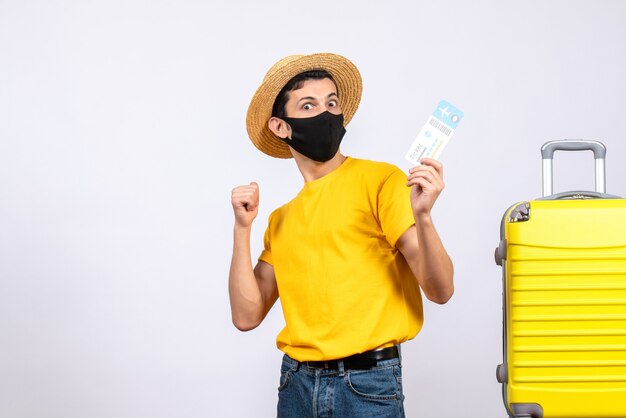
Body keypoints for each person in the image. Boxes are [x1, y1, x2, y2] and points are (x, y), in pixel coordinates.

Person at [229, 52, 454, 418]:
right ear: (280, 127)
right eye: (309, 105)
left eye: (332, 102)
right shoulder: (281, 220)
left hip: (367, 387)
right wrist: (242, 229)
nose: (327, 113)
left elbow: (440, 290)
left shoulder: (381, 181)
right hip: (296, 385)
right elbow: (246, 315)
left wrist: (424, 217)